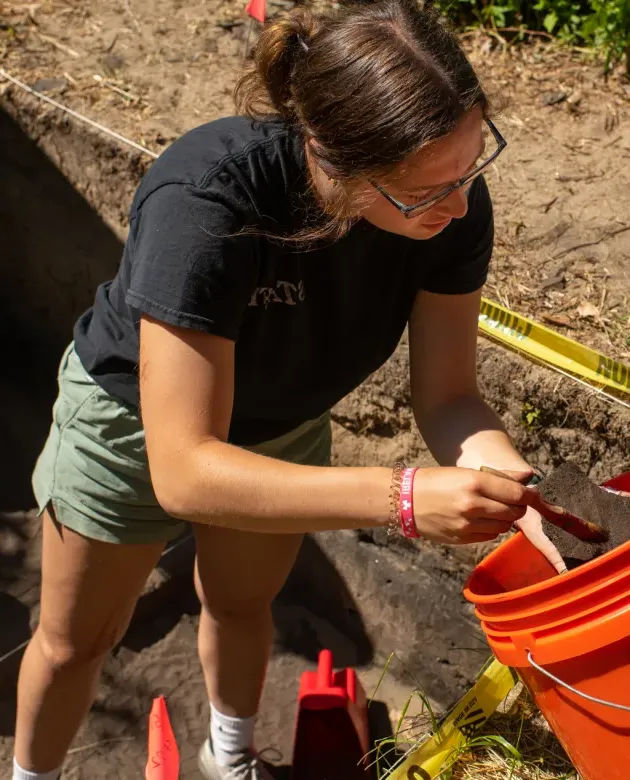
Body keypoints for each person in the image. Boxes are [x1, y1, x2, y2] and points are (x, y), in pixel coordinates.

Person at [13, 1, 565, 779]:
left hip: (280, 424)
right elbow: (185, 469)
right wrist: (406, 497)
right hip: (135, 429)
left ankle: (228, 756)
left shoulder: (448, 202)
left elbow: (447, 397)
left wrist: (512, 486)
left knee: (242, 605)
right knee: (77, 641)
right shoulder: (208, 201)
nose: (460, 206)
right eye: (427, 191)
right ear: (333, 162)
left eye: (471, 170)